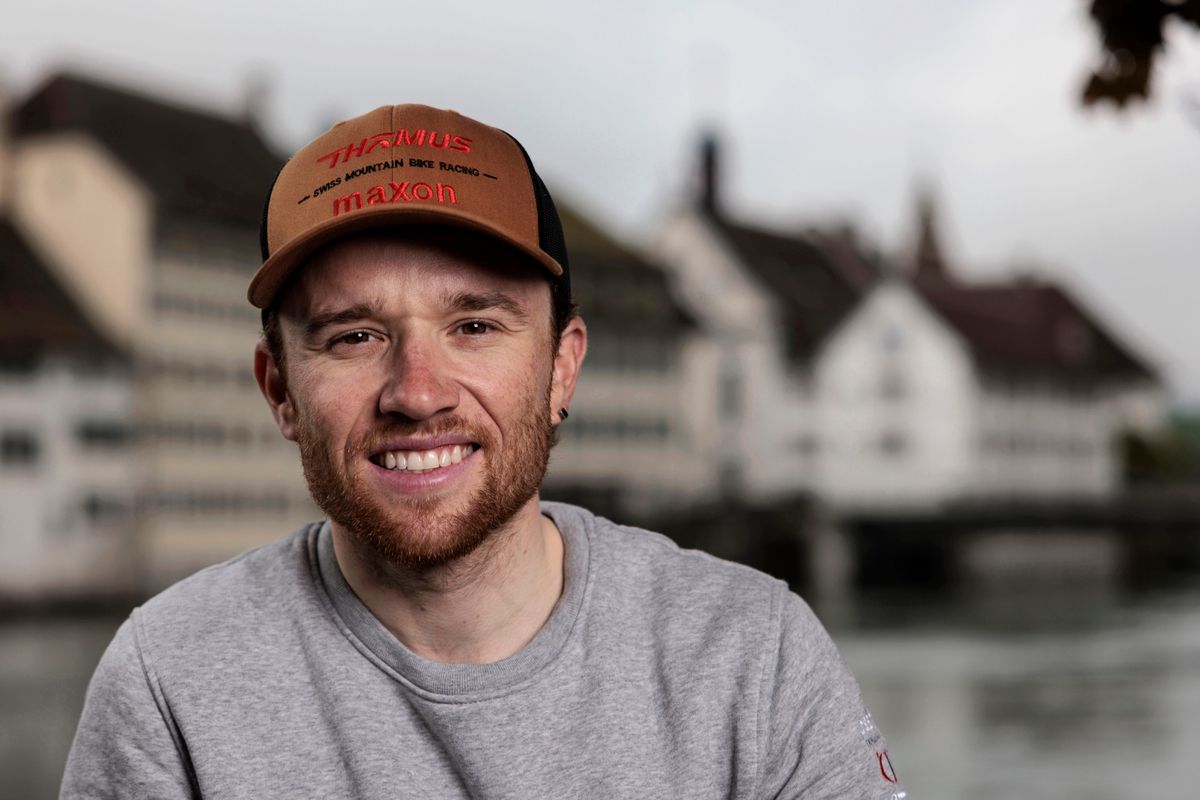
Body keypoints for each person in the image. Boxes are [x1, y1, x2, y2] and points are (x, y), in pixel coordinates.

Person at [61, 104, 905, 799]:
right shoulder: (172, 686)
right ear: (279, 389)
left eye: (474, 326)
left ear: (561, 366)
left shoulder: (752, 659)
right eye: (354, 335)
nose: (418, 391)